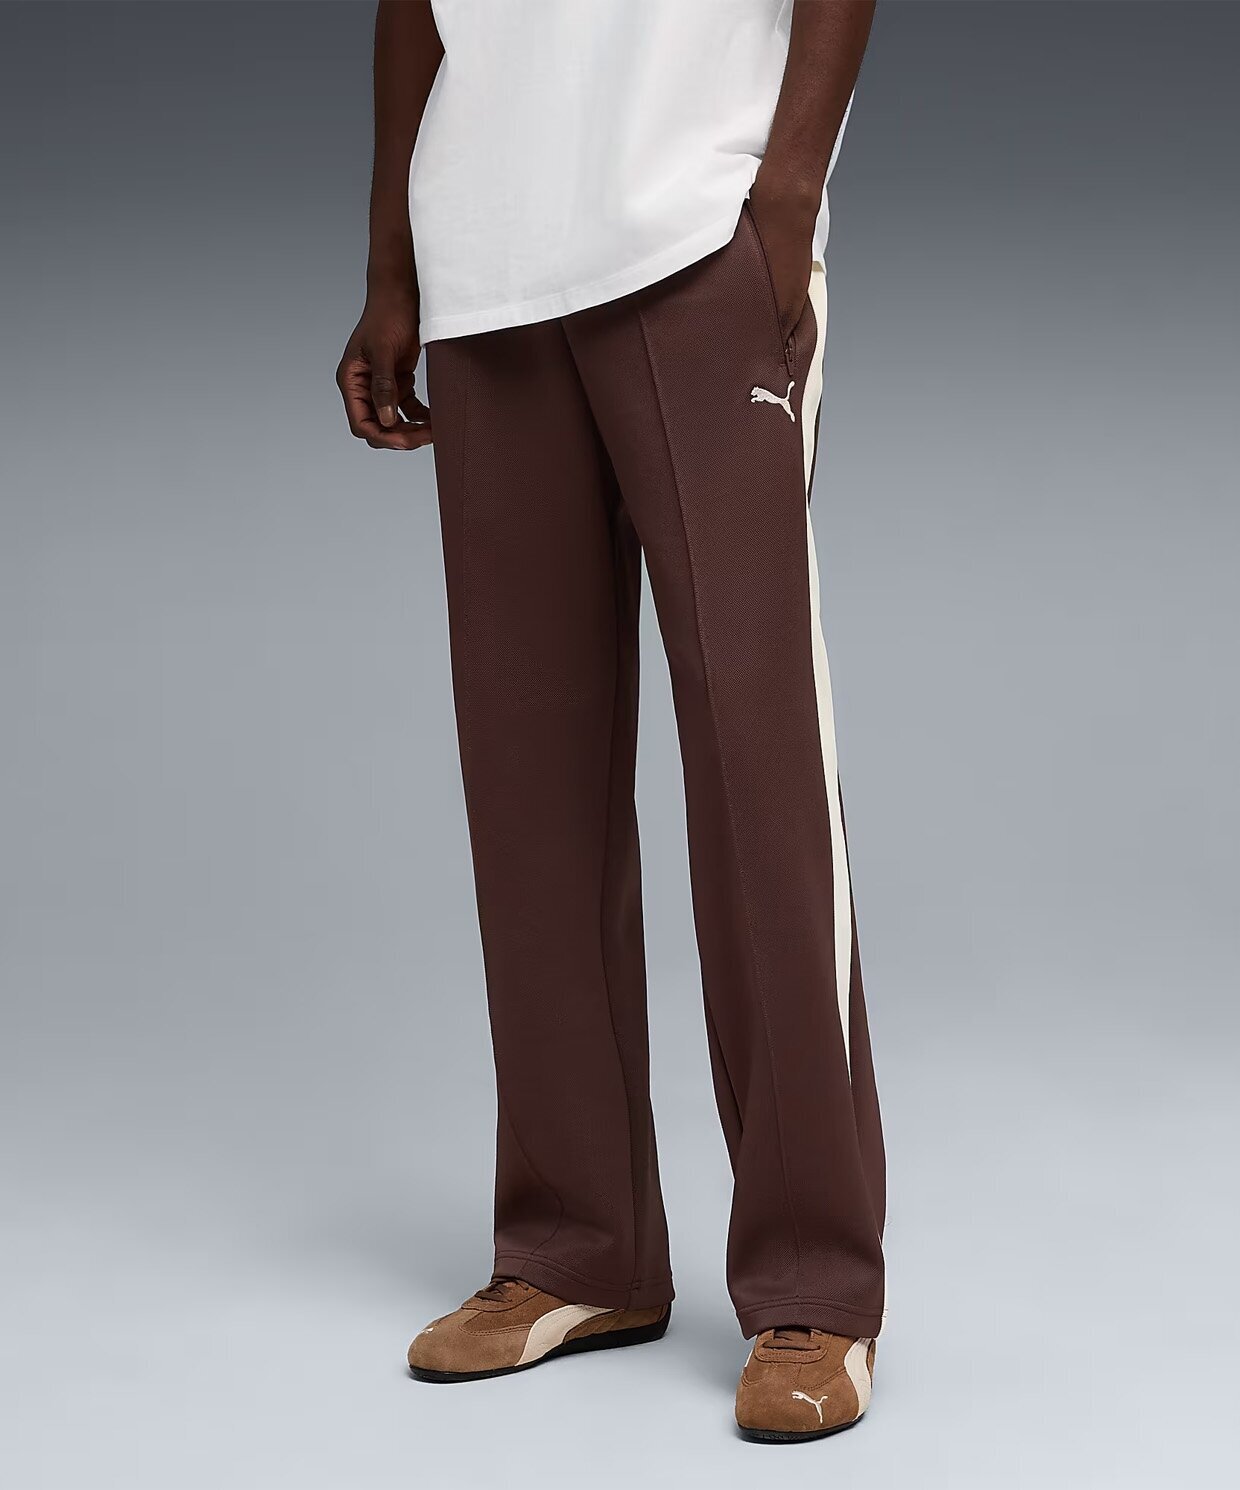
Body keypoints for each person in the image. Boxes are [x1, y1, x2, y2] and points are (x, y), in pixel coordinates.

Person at [337, 0, 883, 1444]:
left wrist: (786, 199)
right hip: (488, 259)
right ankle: (578, 1250)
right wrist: (394, 264)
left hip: (695, 227)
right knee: (531, 782)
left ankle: (816, 1280)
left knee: (760, 771)